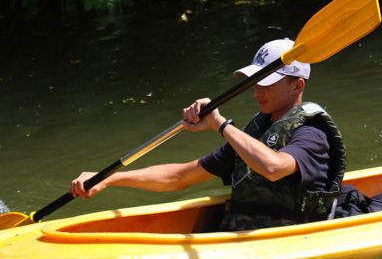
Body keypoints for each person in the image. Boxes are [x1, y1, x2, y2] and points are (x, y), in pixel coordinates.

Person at [69, 38, 346, 231]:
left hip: (293, 238)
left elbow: (273, 167)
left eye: (267, 84)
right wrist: (110, 179)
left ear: (297, 86)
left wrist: (220, 125)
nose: (256, 91)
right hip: (250, 235)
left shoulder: (312, 135)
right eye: (255, 82)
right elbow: (179, 177)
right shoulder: (255, 134)